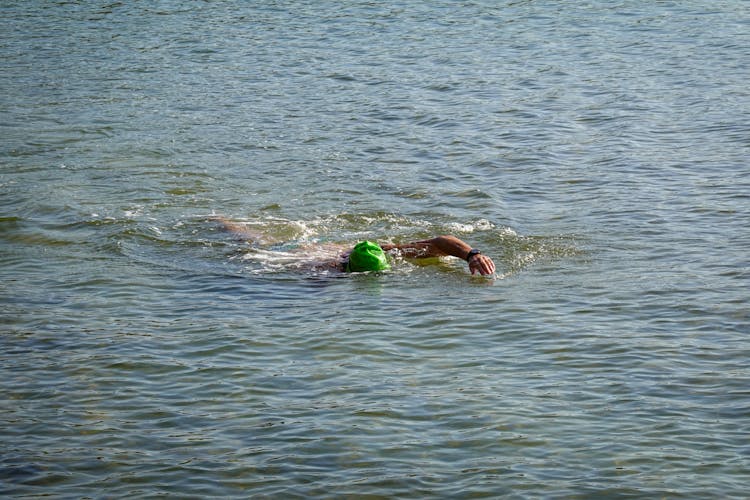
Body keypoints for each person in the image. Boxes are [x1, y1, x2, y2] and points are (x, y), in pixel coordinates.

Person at [213, 217, 496, 276]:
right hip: (290, 251)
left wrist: (472, 254)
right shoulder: (323, 270)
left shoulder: (387, 250)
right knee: (253, 242)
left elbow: (438, 242)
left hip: (328, 247)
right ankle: (217, 220)